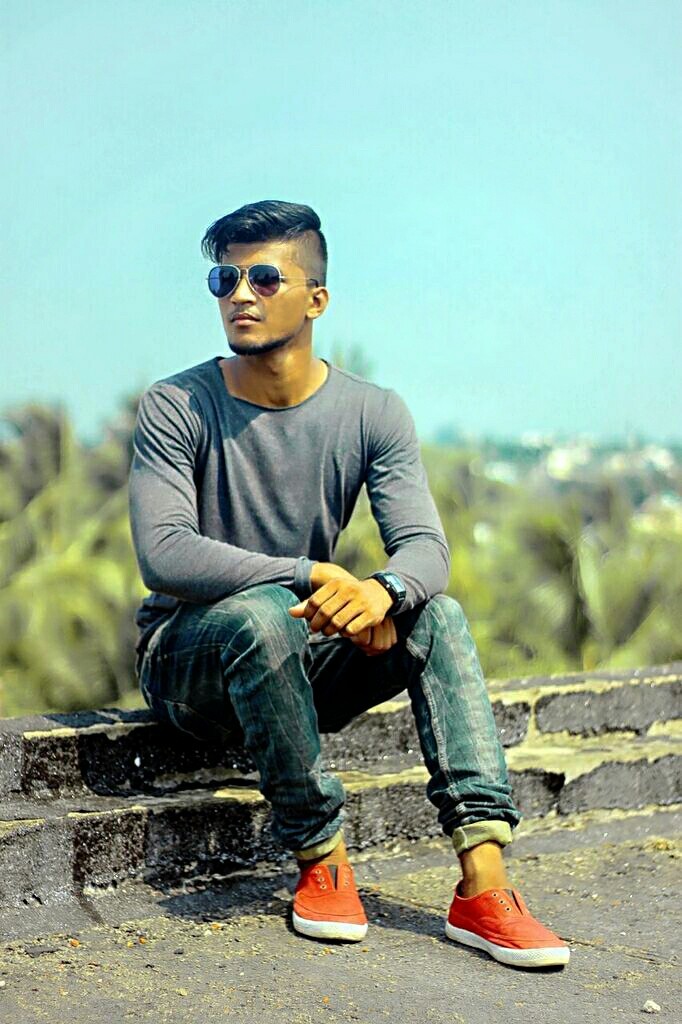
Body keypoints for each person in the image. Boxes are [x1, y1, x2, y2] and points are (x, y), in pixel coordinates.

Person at [128, 199, 569, 969]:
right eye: (225, 279)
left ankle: (484, 885)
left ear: (316, 299)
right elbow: (164, 552)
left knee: (437, 617)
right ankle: (322, 858)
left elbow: (426, 548)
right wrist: (309, 574)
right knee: (264, 613)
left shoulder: (373, 411)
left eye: (265, 278)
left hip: (296, 661)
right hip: (189, 667)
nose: (240, 294)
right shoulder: (178, 404)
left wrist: (381, 594)